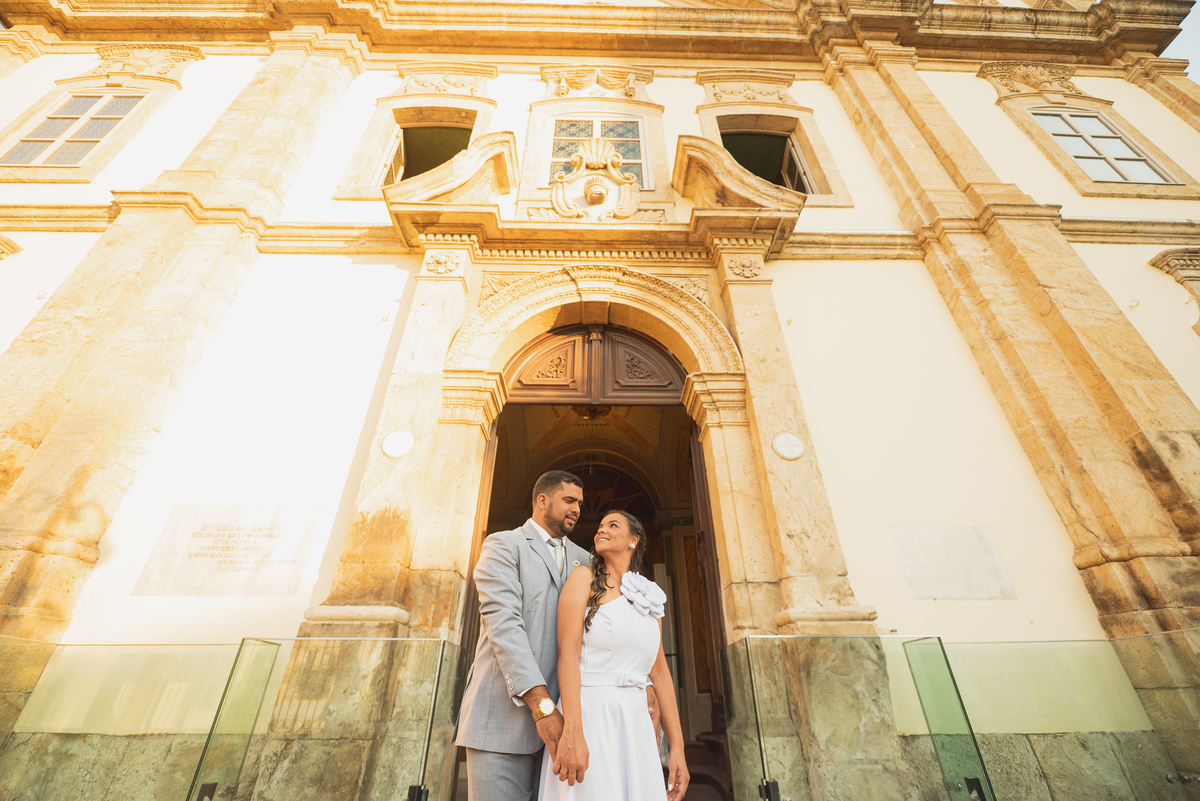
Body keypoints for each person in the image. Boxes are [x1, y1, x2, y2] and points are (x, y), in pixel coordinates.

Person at [453, 470, 594, 801]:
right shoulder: (503, 544)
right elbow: (504, 624)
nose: (576, 509)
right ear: (542, 500)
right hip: (502, 722)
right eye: (569, 501)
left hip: (566, 733)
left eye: (580, 504)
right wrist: (543, 708)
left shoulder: (586, 561)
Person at [540, 510, 690, 801]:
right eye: (599, 527)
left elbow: (659, 672)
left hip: (635, 722)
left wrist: (677, 748)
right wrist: (572, 730)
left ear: (634, 539)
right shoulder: (582, 579)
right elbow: (567, 655)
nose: (601, 530)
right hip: (592, 714)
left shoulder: (650, 596)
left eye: (612, 525)